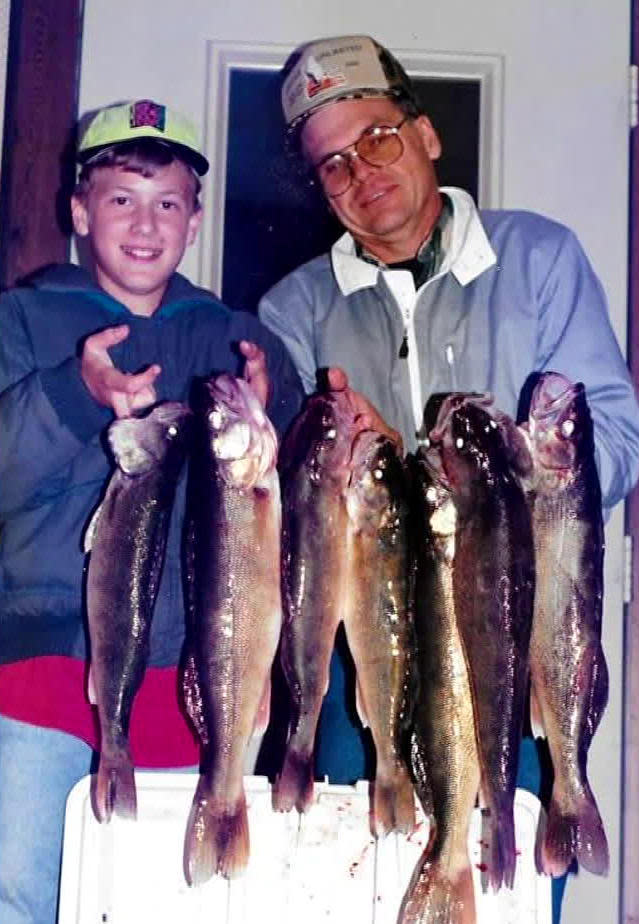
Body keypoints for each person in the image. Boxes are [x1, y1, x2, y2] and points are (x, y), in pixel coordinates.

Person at [258, 34, 639, 922]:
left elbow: (617, 440)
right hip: (370, 674)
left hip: (515, 646)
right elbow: (287, 519)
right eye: (334, 166)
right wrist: (342, 471)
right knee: (350, 896)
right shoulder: (291, 311)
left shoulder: (540, 260)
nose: (363, 173)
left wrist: (501, 475)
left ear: (427, 135)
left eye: (380, 138)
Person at [0, 98, 304, 924]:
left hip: (196, 671)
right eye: (121, 198)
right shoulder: (19, 322)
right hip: (39, 667)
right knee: (19, 895)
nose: (145, 223)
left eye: (168, 202)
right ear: (78, 211)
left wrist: (278, 428)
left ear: (195, 220)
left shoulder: (239, 340)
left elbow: (300, 515)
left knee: (163, 905)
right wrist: (72, 394)